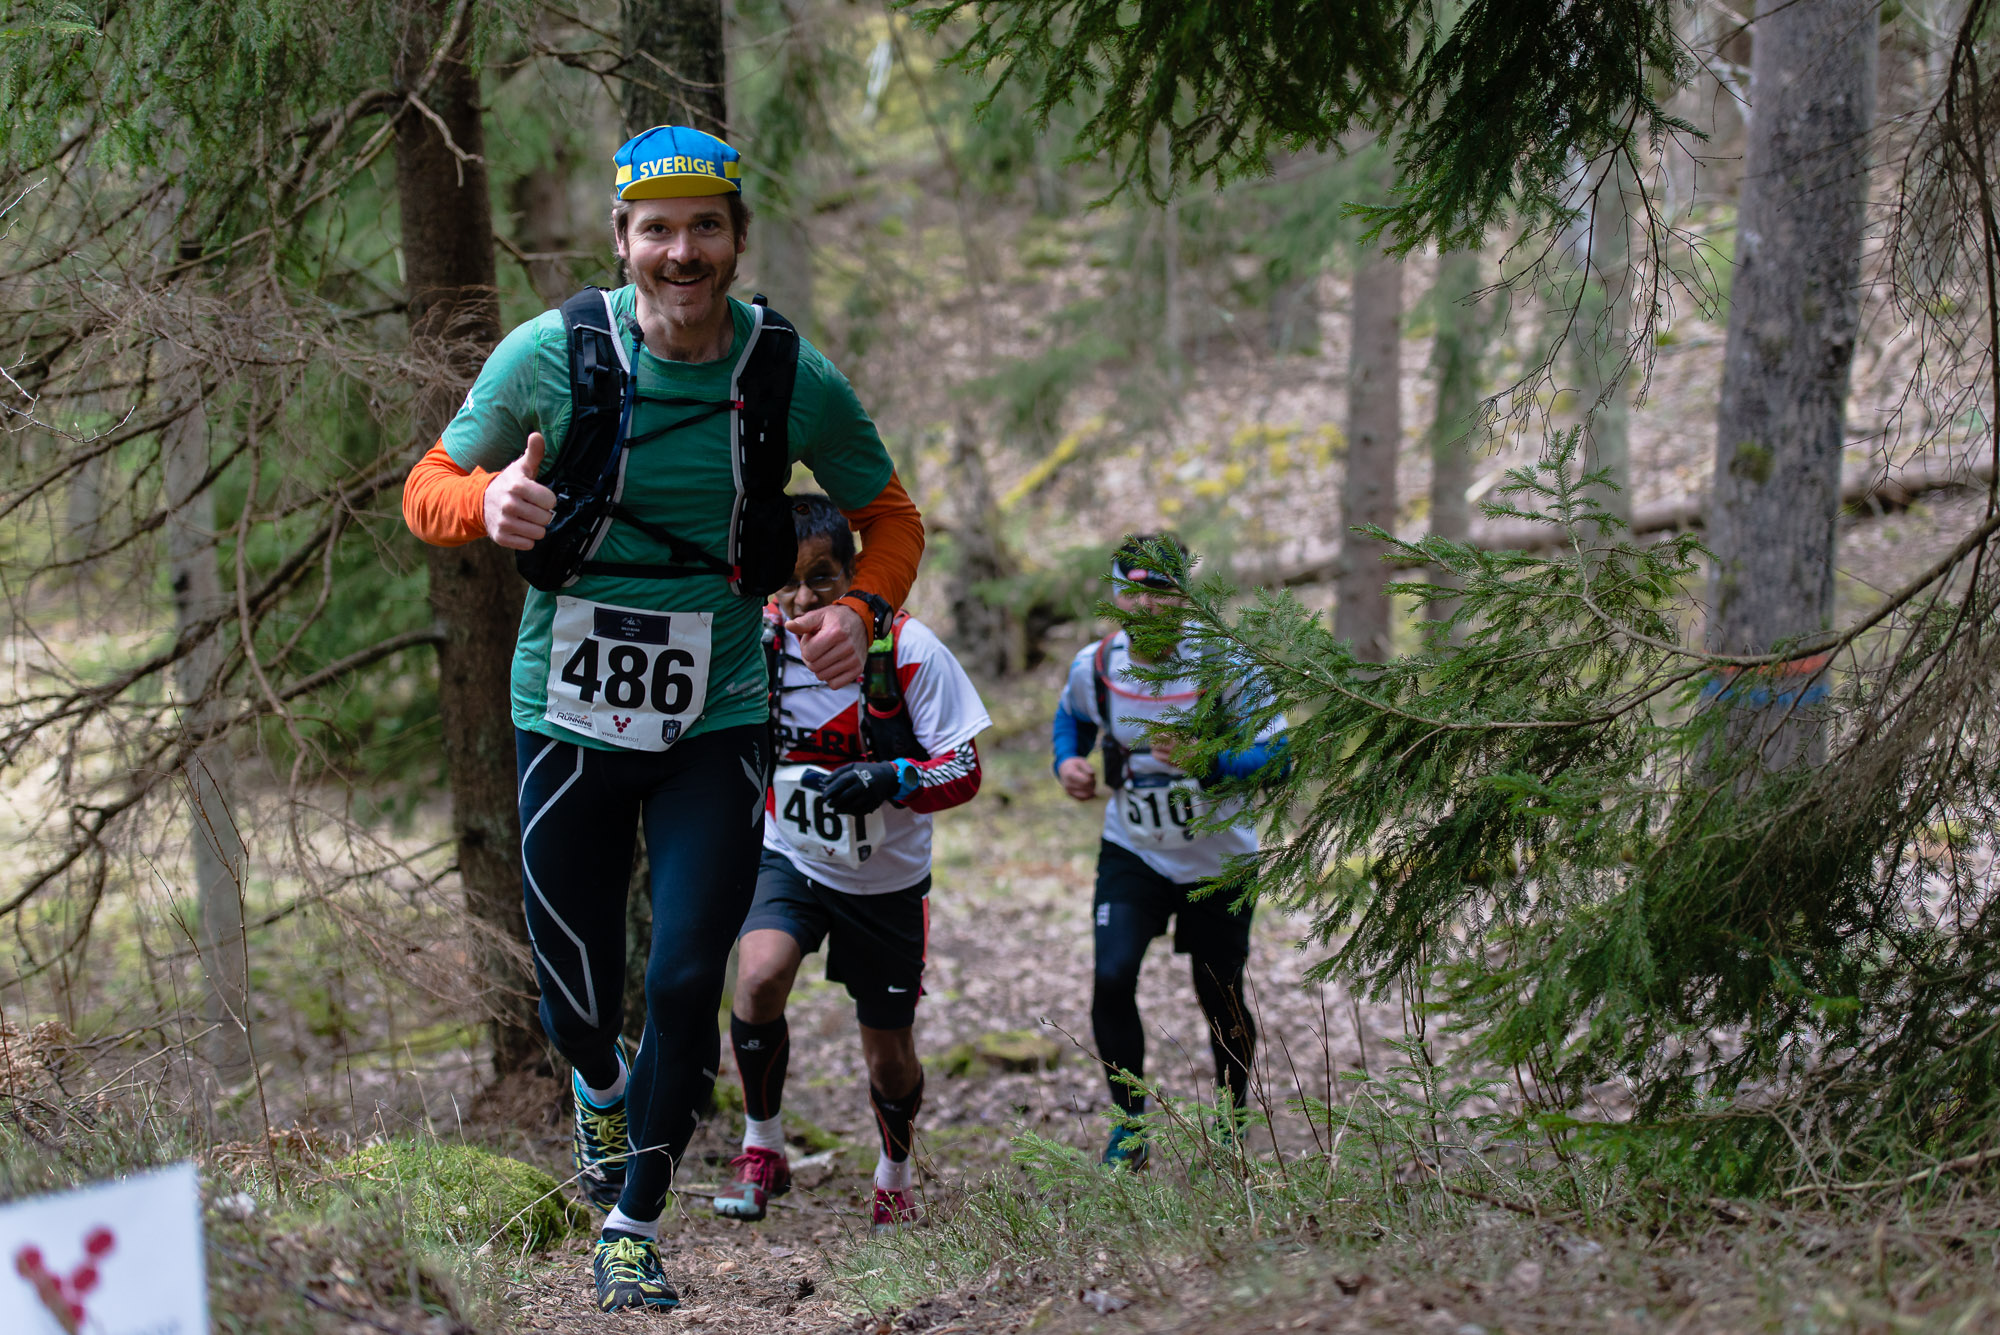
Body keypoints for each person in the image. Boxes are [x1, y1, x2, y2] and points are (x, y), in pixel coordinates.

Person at [400, 125, 925, 1312]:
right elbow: (424, 486)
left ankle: (634, 1223)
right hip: (565, 710)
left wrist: (868, 611)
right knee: (575, 978)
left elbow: (889, 517)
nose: (680, 253)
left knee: (689, 974)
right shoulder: (548, 355)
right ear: (623, 242)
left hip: (719, 714)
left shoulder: (790, 376)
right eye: (657, 231)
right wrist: (488, 504)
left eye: (704, 229)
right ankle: (593, 1087)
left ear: (736, 240)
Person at [713, 494, 990, 1233]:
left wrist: (894, 777)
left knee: (888, 1055)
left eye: (824, 579)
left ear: (856, 575)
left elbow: (964, 770)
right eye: (789, 581)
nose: (805, 599)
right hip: (791, 856)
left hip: (886, 881)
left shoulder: (908, 650)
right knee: (760, 974)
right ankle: (761, 1145)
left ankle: (895, 1172)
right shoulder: (760, 639)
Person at [1051, 534, 1287, 1168]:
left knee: (1219, 992)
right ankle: (1128, 1129)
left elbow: (1280, 758)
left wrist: (1212, 761)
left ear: (1183, 595)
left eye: (1158, 592)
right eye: (1130, 590)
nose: (1144, 606)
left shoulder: (1227, 664)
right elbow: (1072, 715)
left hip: (1218, 857)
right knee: (1111, 976)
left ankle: (1233, 1118)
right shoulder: (1097, 664)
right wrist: (1067, 761)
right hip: (1134, 846)